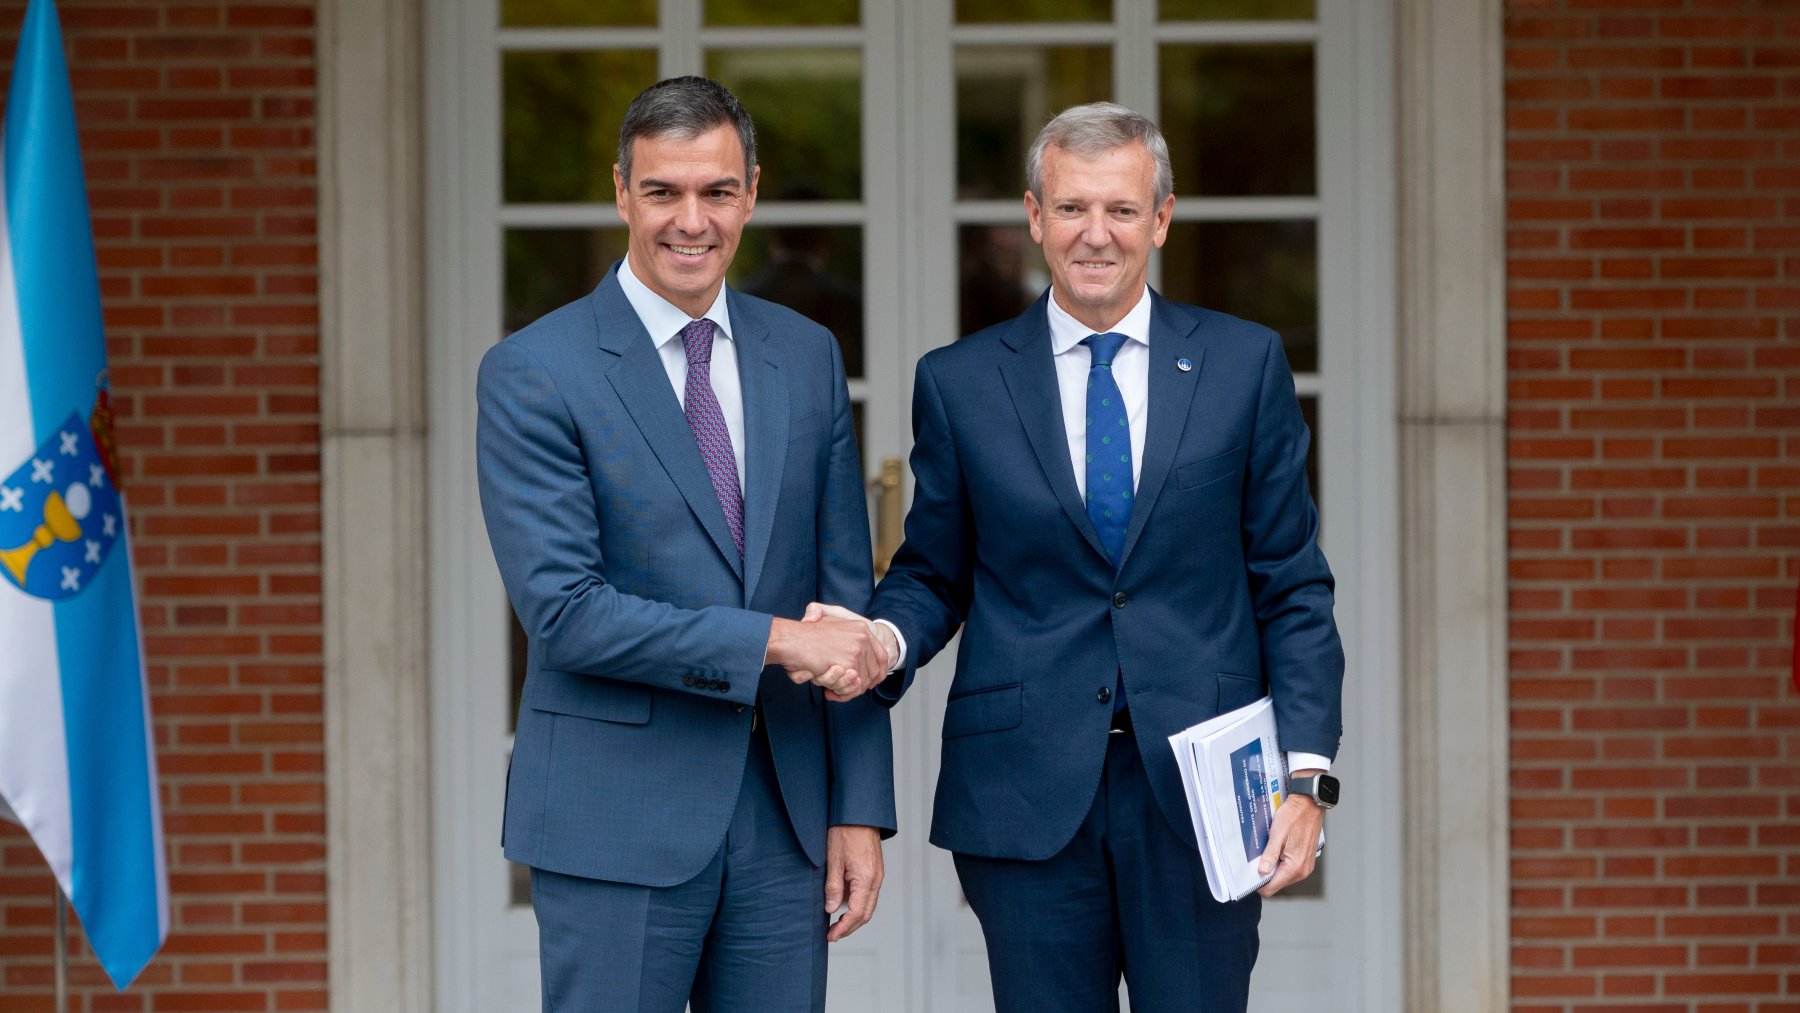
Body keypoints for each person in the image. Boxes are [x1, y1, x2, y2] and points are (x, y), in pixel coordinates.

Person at [834, 102, 1345, 1012]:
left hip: (1200, 794)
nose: (1095, 235)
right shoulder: (959, 382)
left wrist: (1307, 777)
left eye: (1120, 209)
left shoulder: (1243, 364)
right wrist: (881, 639)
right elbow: (934, 570)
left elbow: (1292, 584)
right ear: (1035, 217)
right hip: (1025, 797)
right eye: (1071, 209)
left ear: (1161, 217)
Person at [476, 76, 895, 1013]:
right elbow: (568, 614)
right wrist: (778, 641)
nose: (689, 221)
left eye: (716, 191)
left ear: (751, 194)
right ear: (622, 192)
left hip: (786, 817)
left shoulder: (806, 355)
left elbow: (843, 598)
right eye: (663, 192)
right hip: (613, 816)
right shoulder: (534, 372)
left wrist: (859, 806)